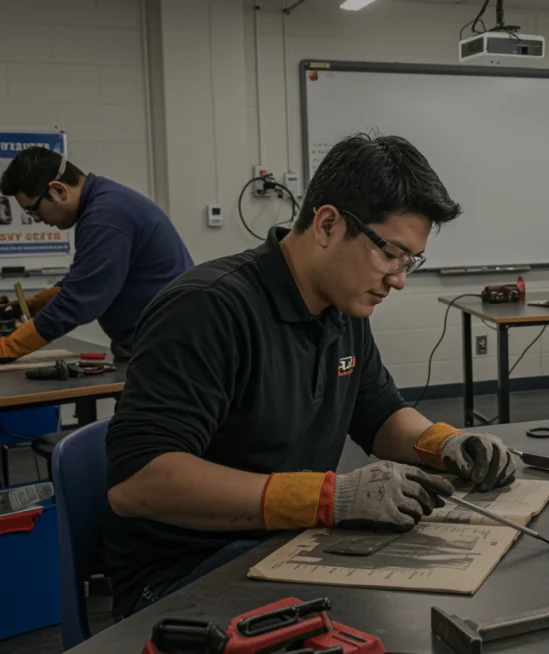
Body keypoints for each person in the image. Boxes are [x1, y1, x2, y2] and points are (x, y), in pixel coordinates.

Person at [103, 134, 517, 618]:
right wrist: (327, 497)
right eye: (391, 253)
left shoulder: (344, 312)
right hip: (186, 574)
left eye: (411, 261)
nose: (400, 278)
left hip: (288, 542)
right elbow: (138, 483)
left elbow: (380, 415)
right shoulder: (208, 308)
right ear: (327, 224)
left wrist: (444, 444)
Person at [0, 147, 194, 359]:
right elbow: (83, 279)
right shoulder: (104, 203)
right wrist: (31, 305)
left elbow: (80, 300)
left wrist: (8, 347)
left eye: (33, 210)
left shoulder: (106, 217)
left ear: (58, 191)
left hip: (169, 350)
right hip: (158, 343)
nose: (39, 219)